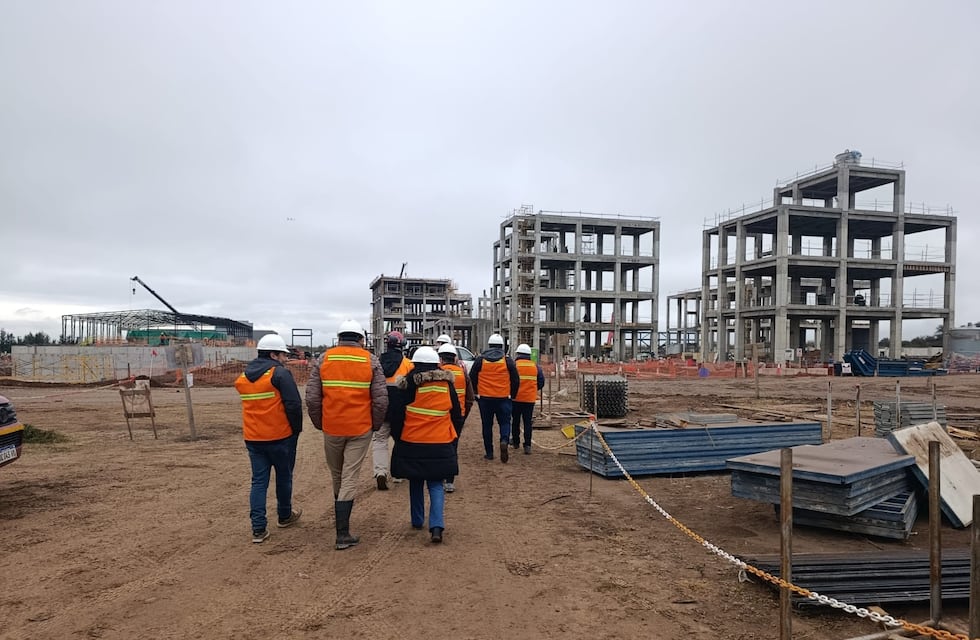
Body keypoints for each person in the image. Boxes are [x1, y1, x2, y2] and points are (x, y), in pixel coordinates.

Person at [305, 319, 387, 550]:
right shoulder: (371, 360)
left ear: (339, 338)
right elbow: (380, 400)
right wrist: (375, 425)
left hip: (332, 427)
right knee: (350, 476)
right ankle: (342, 534)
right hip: (359, 428)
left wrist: (321, 423)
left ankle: (341, 521)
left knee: (337, 474)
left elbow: (312, 398)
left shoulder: (324, 359)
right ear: (361, 339)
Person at [235, 334, 303, 544]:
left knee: (258, 481)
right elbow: (294, 404)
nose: (285, 358)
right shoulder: (280, 374)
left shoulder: (244, 377)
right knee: (284, 477)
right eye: (283, 355)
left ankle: (258, 529)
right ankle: (284, 515)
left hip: (253, 438)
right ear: (273, 354)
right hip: (279, 437)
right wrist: (296, 430)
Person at [390, 346, 462, 543]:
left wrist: (399, 437)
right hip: (440, 441)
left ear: (414, 364)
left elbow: (396, 414)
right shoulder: (446, 385)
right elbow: (456, 414)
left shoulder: (407, 385)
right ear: (437, 364)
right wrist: (452, 436)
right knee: (436, 483)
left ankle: (417, 520)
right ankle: (436, 527)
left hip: (412, 441)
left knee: (415, 480)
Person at [468, 333, 519, 463]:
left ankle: (489, 453)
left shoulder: (480, 360)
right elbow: (515, 380)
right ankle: (504, 440)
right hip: (503, 398)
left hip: (485, 399)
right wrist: (512, 395)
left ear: (489, 345)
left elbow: (472, 378)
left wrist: (476, 393)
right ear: (502, 346)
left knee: (487, 425)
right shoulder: (507, 361)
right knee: (505, 422)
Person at [373, 330, 413, 490]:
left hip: (381, 408)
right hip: (400, 409)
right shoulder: (407, 364)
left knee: (380, 441)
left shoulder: (377, 363)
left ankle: (380, 472)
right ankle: (397, 474)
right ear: (402, 345)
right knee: (400, 440)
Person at [437, 342, 473, 492]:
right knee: (453, 446)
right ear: (455, 358)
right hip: (459, 416)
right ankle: (450, 481)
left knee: (439, 445)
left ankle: (438, 475)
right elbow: (470, 398)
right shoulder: (462, 373)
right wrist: (464, 414)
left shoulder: (437, 373)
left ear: (440, 359)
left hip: (441, 415)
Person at [510, 343, 544, 454]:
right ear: (529, 355)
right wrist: (532, 389)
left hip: (515, 398)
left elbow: (509, 380)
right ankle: (527, 445)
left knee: (515, 421)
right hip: (529, 399)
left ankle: (516, 442)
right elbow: (541, 382)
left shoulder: (514, 365)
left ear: (518, 354)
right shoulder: (535, 367)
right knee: (527, 422)